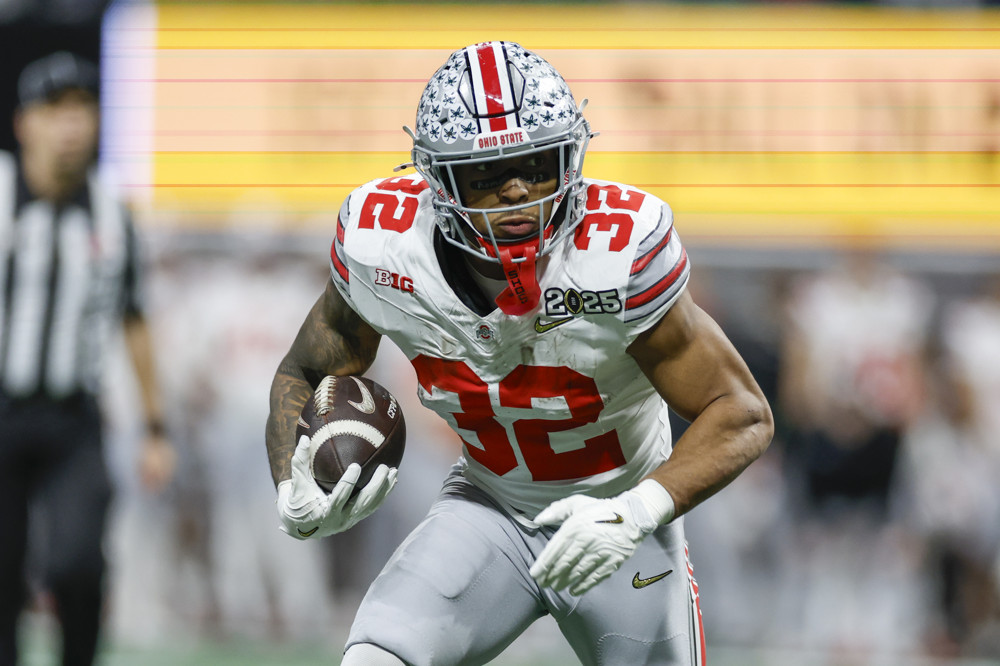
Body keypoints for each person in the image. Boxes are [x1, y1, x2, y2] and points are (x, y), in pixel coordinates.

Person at [266, 42, 773, 666]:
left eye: (538, 165)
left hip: (617, 523)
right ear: (438, 181)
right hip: (489, 506)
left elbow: (741, 411)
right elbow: (306, 369)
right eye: (487, 175)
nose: (518, 192)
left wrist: (637, 511)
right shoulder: (385, 246)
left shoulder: (617, 251)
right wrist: (291, 482)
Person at [0, 52, 175, 666]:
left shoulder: (111, 213)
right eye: (55, 109)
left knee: (78, 564)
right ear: (25, 123)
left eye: (81, 107)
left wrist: (155, 427)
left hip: (74, 419)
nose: (71, 124)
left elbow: (134, 318)